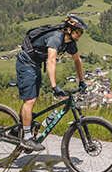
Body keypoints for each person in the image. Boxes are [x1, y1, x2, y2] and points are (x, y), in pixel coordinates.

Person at [15, 15, 88, 151]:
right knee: (30, 100)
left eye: (81, 32)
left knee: (32, 98)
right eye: (78, 31)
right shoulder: (56, 38)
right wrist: (54, 86)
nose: (80, 35)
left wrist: (82, 80)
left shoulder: (70, 43)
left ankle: (19, 127)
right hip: (26, 62)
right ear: (69, 30)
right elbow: (51, 61)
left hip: (35, 64)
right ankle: (26, 137)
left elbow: (77, 61)